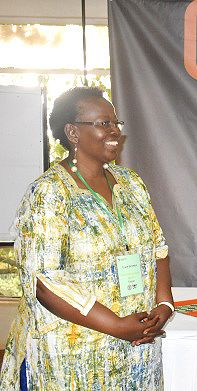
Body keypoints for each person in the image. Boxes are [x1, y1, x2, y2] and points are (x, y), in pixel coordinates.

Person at [0, 87, 174, 390]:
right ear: (73, 132)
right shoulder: (49, 193)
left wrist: (164, 305)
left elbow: (158, 250)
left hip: (137, 350)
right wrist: (118, 326)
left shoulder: (131, 184)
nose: (114, 132)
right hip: (75, 356)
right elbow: (45, 282)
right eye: (103, 123)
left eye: (116, 124)